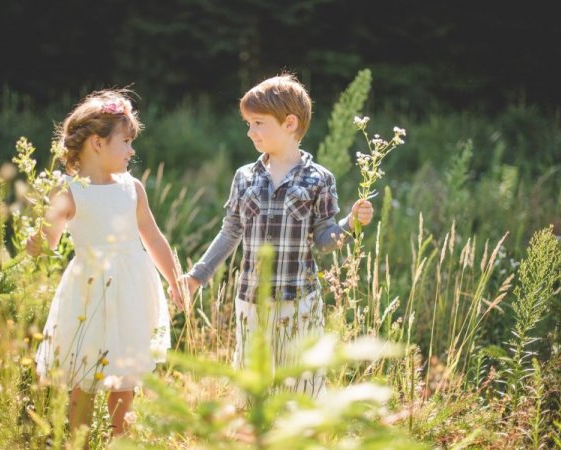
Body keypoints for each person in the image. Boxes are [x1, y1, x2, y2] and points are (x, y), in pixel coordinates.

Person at [182, 74, 373, 397]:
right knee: (253, 385)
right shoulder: (245, 177)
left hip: (298, 301)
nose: (250, 131)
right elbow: (230, 232)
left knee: (301, 384)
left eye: (258, 123)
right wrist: (198, 275)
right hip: (251, 301)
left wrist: (351, 224)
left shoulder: (318, 179)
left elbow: (324, 241)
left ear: (289, 123)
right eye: (248, 123)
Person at [27, 89, 183, 442]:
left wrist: (174, 279)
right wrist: (36, 243)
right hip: (89, 294)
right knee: (86, 378)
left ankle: (120, 442)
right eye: (125, 142)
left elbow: (154, 239)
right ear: (97, 143)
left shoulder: (133, 189)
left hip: (130, 291)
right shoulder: (69, 191)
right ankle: (78, 443)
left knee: (124, 378)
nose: (131, 150)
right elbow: (48, 241)